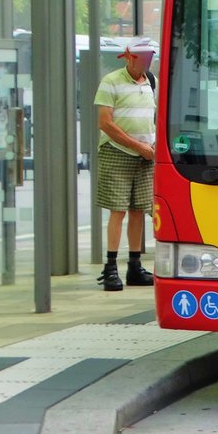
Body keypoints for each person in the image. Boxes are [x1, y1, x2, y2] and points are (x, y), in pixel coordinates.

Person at [94, 37, 158, 291]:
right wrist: (137, 146)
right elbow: (105, 123)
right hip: (118, 152)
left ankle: (134, 265)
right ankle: (110, 267)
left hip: (145, 155)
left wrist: (149, 147)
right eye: (143, 59)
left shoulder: (151, 81)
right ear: (130, 57)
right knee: (117, 210)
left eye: (150, 59)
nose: (147, 63)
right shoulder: (111, 82)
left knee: (138, 210)